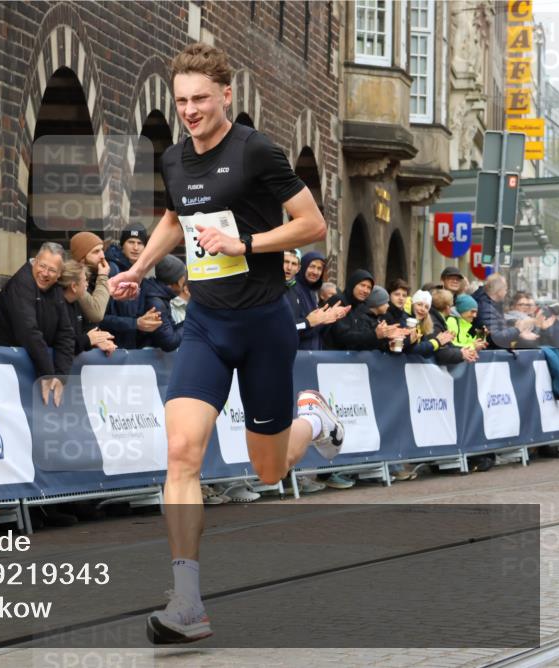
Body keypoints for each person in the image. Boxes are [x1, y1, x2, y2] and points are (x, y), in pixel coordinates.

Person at [107, 43, 345, 644]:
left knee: (268, 471)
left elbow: (313, 224)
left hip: (263, 324)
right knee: (183, 452)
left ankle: (312, 420)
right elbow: (172, 219)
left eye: (200, 100)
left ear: (226, 97)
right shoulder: (175, 159)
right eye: (182, 100)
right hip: (207, 325)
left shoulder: (256, 149)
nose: (190, 111)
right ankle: (187, 602)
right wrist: (141, 269)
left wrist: (248, 244)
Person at [0, 243, 75, 406]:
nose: (45, 273)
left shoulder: (55, 289)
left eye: (52, 270)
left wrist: (60, 376)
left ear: (59, 274)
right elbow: (28, 331)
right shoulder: (21, 283)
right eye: (42, 266)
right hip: (7, 372)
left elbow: (65, 333)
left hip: (34, 372)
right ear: (35, 261)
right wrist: (47, 374)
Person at [102, 223, 162, 349]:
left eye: (140, 243)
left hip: (129, 350)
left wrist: (147, 321)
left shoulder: (139, 275)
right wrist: (136, 323)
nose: (135, 247)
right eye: (131, 242)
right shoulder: (111, 271)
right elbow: (99, 317)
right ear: (122, 245)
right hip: (109, 349)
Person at [288, 251, 348, 350]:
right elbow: (290, 328)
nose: (315, 272)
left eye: (319, 268)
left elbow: (315, 328)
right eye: (312, 266)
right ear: (302, 267)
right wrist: (311, 321)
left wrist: (330, 317)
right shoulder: (292, 289)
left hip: (312, 356)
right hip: (298, 357)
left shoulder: (312, 293)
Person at [56, 260, 116, 355]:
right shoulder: (56, 308)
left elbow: (81, 335)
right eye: (84, 280)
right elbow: (61, 346)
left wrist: (98, 341)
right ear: (74, 286)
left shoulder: (75, 303)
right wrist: (88, 340)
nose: (87, 285)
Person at [473, 274, 537, 349]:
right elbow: (496, 338)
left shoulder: (493, 305)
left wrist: (514, 324)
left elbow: (498, 326)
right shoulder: (486, 308)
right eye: (505, 289)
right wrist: (517, 330)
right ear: (499, 291)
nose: (506, 292)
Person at [140, 255, 188, 351]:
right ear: (177, 280)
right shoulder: (156, 302)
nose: (185, 280)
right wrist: (192, 321)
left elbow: (172, 330)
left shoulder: (161, 296)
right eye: (183, 276)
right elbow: (169, 342)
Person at [69, 231, 111, 323]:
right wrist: (103, 277)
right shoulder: (73, 279)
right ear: (81, 258)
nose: (102, 256)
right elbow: (97, 314)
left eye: (102, 250)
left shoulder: (94, 276)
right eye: (96, 252)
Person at [430, 288, 478, 364]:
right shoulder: (439, 322)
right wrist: (464, 352)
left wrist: (466, 350)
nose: (475, 315)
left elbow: (449, 345)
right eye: (451, 305)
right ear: (447, 307)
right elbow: (442, 352)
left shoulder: (438, 320)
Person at [405, 290, 454, 358]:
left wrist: (440, 343)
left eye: (426, 307)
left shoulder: (424, 324)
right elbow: (411, 349)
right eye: (419, 304)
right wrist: (437, 342)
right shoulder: (405, 320)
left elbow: (426, 355)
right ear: (413, 304)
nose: (422, 309)